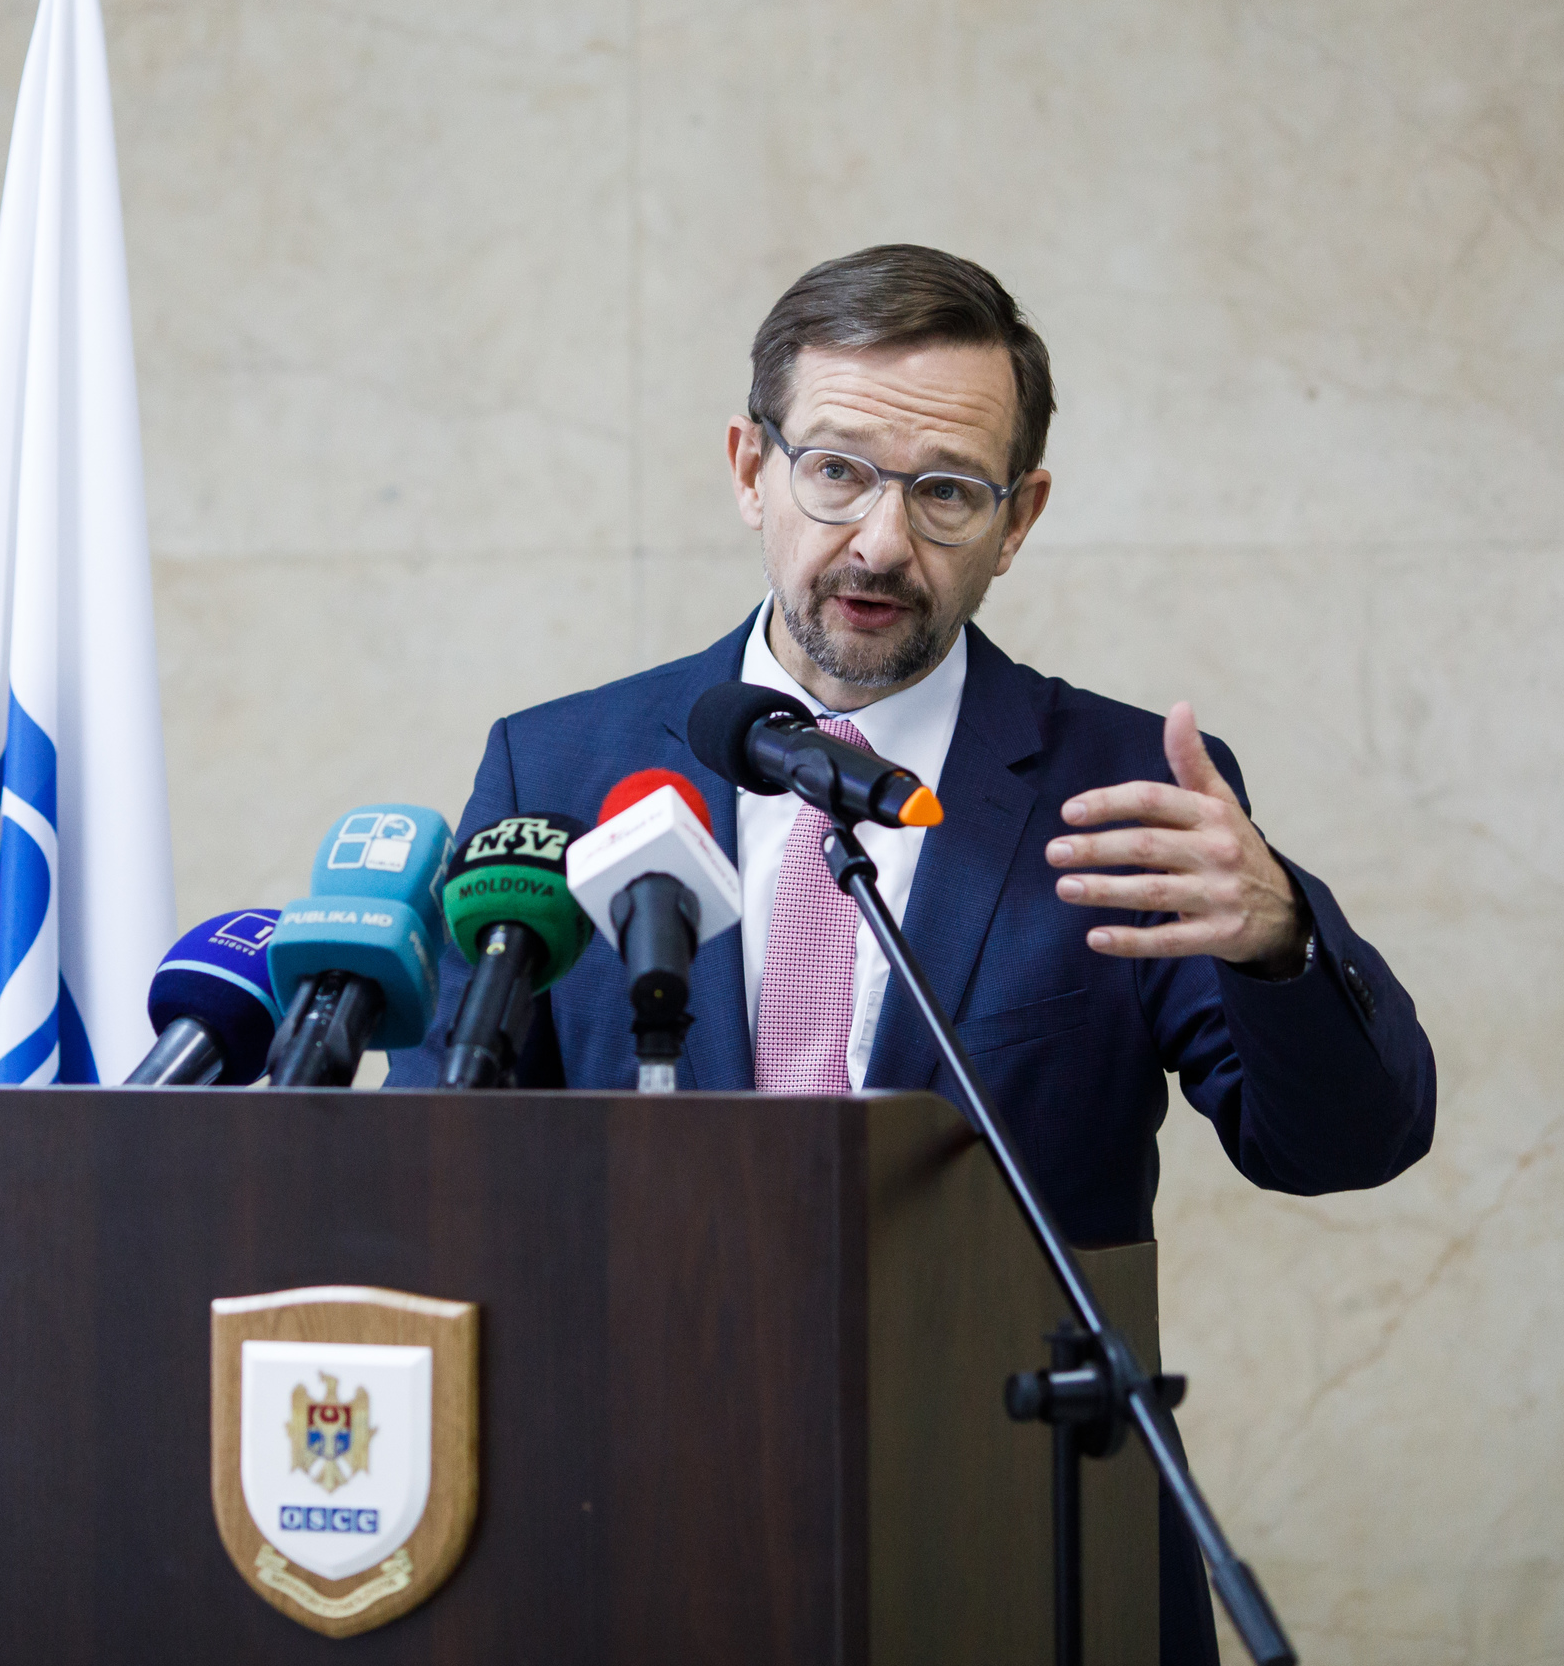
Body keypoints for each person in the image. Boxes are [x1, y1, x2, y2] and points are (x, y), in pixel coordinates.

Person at [384, 244, 1436, 1662]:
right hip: (640, 1525)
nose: (881, 542)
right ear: (750, 468)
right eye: (836, 472)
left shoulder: (1122, 793)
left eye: (945, 491)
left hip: (1018, 1546)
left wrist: (1281, 940)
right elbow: (439, 1172)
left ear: (1019, 519)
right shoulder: (557, 770)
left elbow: (1340, 1148)